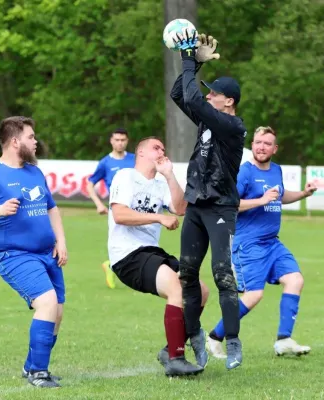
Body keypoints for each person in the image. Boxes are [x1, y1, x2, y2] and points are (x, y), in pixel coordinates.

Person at [0, 116, 68, 389]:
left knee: (56, 311)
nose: (36, 142)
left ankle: (30, 366)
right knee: (46, 303)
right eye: (31, 137)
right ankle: (38, 372)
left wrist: (61, 241)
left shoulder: (34, 172)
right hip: (14, 255)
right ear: (15, 141)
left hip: (47, 253)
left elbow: (51, 208)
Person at [170, 32, 246, 370]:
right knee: (186, 274)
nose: (208, 94)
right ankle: (196, 336)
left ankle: (232, 341)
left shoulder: (232, 125)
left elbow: (194, 100)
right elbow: (178, 93)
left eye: (214, 92)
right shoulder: (207, 119)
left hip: (220, 207)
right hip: (197, 207)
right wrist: (195, 62)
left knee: (221, 274)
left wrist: (189, 58)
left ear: (228, 101)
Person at [207, 126, 317, 359]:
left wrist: (304, 194)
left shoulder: (276, 170)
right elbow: (230, 204)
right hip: (248, 244)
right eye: (258, 142)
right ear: (253, 145)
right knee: (254, 295)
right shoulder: (244, 172)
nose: (261, 147)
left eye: (267, 143)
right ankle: (214, 337)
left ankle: (284, 340)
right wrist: (260, 200)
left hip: (272, 243)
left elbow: (281, 195)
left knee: (295, 280)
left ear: (274, 149)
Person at [107, 136, 210, 376]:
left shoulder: (161, 184)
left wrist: (170, 175)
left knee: (201, 290)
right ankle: (176, 359)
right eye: (156, 147)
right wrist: (159, 217)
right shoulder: (126, 176)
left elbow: (181, 209)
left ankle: (169, 349)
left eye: (164, 148)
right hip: (127, 255)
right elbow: (120, 215)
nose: (162, 151)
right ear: (140, 153)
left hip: (151, 252)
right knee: (177, 287)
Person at [86, 128, 136, 289]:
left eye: (123, 140)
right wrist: (99, 204)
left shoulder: (135, 160)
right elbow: (90, 184)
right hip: (117, 209)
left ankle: (112, 265)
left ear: (127, 141)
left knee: (136, 241)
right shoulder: (105, 163)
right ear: (111, 141)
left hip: (136, 207)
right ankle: (113, 266)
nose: (120, 143)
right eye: (117, 140)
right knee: (120, 242)